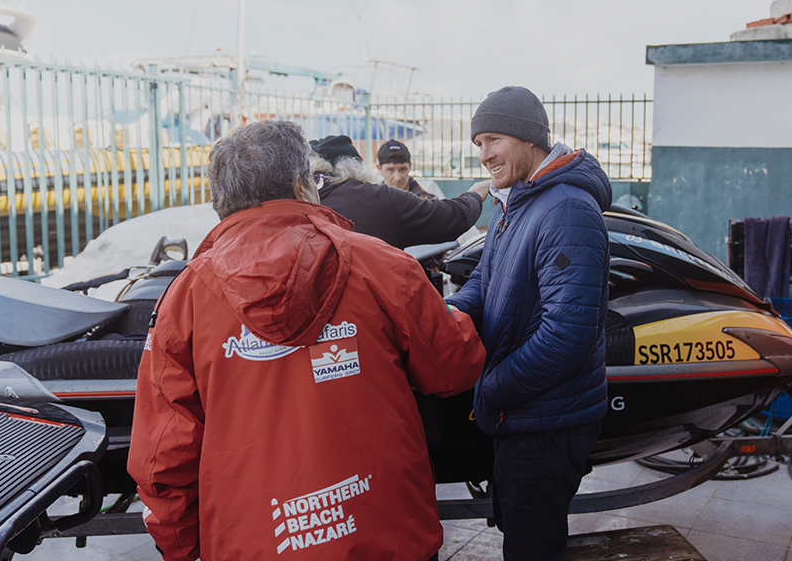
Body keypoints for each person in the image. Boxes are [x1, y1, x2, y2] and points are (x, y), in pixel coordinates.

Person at [128, 120, 486, 561]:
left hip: (252, 542)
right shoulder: (382, 266)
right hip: (387, 534)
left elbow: (163, 453)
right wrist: (462, 310)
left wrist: (181, 547)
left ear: (221, 201)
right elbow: (455, 368)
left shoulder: (183, 299)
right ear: (303, 183)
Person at [444, 86, 612, 561]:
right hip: (524, 413)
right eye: (478, 144)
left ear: (528, 138)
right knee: (524, 536)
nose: (484, 155)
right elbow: (484, 277)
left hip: (544, 422)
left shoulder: (565, 210)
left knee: (532, 547)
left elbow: (568, 335)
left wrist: (492, 388)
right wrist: (450, 313)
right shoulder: (517, 201)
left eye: (492, 139)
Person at [309, 135, 490, 250]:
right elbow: (451, 218)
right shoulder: (379, 199)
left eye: (402, 170)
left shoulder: (297, 202)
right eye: (390, 170)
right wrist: (475, 193)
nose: (397, 177)